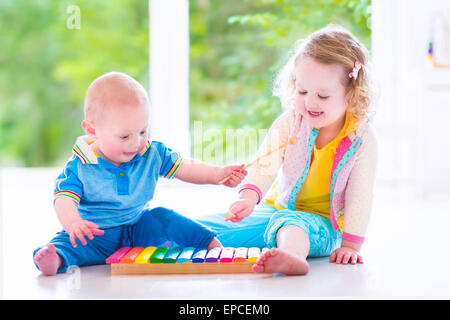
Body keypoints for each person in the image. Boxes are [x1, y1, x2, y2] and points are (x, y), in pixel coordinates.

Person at [197, 25, 377, 275]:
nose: (310, 102)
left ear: (351, 94)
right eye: (302, 91)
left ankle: (290, 257)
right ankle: (145, 234)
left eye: (323, 96)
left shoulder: (361, 140)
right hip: (276, 211)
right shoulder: (290, 123)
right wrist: (247, 198)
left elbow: (360, 196)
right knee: (204, 230)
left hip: (325, 226)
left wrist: (350, 246)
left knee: (292, 225)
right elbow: (264, 166)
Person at [33, 72, 247, 275]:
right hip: (94, 235)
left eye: (143, 131)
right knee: (69, 243)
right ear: (92, 130)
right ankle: (55, 260)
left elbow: (186, 167)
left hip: (138, 227)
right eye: (124, 136)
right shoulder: (79, 166)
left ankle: (209, 244)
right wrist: (73, 223)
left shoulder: (152, 152)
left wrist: (218, 174)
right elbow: (63, 199)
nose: (136, 143)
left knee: (164, 217)